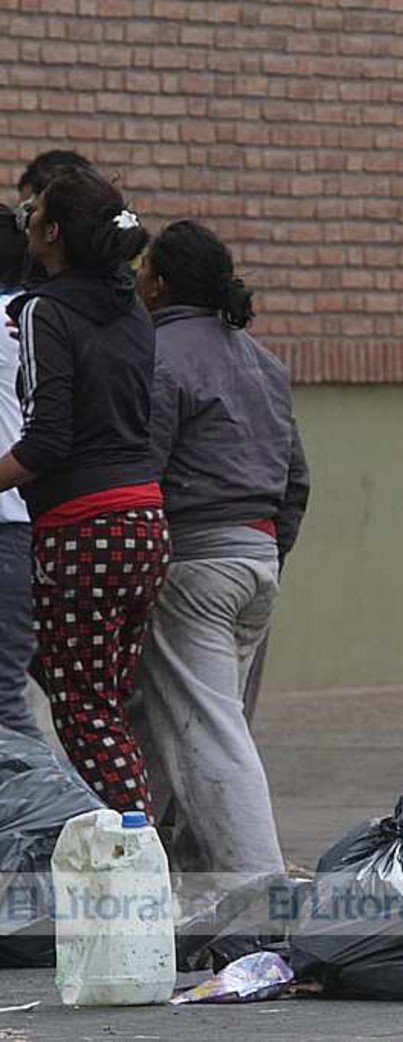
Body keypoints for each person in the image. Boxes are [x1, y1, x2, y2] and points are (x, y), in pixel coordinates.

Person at [128, 220, 308, 880]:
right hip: (257, 564)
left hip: (193, 563)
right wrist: (266, 557)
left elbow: (145, 468)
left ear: (161, 283)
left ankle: (259, 893)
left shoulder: (157, 355)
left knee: (209, 734)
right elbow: (296, 479)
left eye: (146, 268)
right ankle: (190, 876)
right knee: (196, 723)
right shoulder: (264, 364)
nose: (138, 279)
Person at [0, 167, 167, 813]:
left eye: (34, 210)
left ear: (53, 232)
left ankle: (133, 868)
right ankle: (129, 846)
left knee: (83, 717)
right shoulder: (129, 307)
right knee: (106, 709)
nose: (26, 218)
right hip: (143, 525)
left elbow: (46, 442)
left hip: (82, 532)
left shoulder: (45, 310)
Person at [0, 205, 40, 740]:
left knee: (4, 700)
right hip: (30, 520)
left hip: (5, 524)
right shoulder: (35, 317)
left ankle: (53, 811)